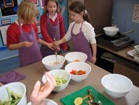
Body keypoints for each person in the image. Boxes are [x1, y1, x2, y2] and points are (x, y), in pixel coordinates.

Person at [6, 0, 55, 67]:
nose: (35, 20)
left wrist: (47, 44)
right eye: (33, 18)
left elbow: (37, 39)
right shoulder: (13, 28)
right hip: (26, 59)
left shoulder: (32, 24)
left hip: (37, 56)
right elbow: (10, 46)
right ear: (25, 16)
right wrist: (21, 44)